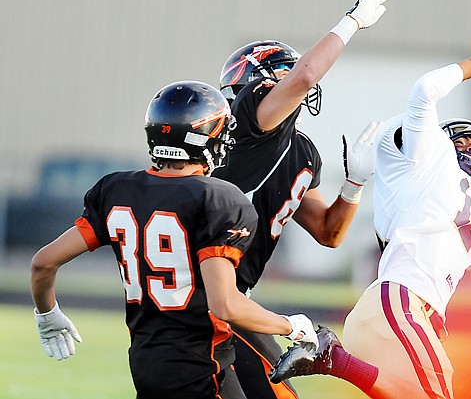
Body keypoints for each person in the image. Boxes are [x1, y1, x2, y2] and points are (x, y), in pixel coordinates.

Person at [270, 9, 471, 399]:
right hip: (400, 300)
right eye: (463, 146)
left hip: (407, 313)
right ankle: (332, 358)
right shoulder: (429, 162)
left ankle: (335, 359)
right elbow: (424, 92)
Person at [30, 81, 320, 399]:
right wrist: (291, 326)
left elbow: (44, 263)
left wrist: (47, 315)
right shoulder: (219, 198)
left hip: (145, 365)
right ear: (208, 137)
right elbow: (226, 304)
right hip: (202, 371)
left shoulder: (117, 190)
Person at [211, 0, 398, 399]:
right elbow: (306, 76)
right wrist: (352, 20)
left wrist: (353, 183)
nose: (292, 78)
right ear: (254, 83)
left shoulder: (300, 152)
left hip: (235, 296)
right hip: (211, 292)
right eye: (281, 71)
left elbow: (329, 233)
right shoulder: (246, 123)